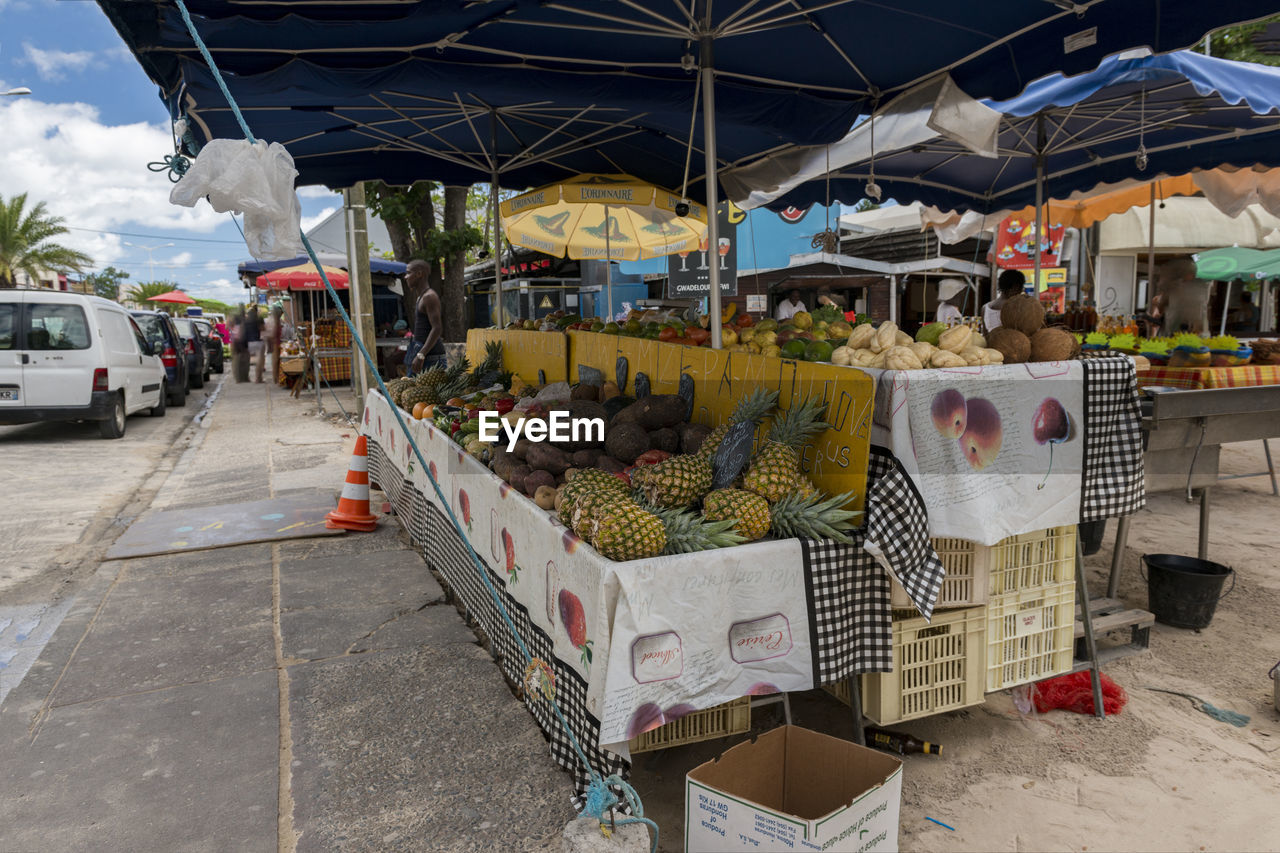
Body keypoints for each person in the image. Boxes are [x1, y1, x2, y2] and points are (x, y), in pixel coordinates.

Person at [404, 259, 446, 376]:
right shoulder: (421, 297)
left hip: (431, 358)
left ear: (419, 274)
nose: (405, 277)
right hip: (423, 355)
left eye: (408, 273)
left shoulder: (429, 297)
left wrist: (421, 355)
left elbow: (437, 328)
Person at [1158, 258, 1210, 334]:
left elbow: (1201, 309)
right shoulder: (1173, 287)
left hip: (1189, 328)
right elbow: (1162, 305)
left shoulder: (1199, 287)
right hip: (1175, 327)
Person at [245, 304, 265, 383]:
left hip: (248, 342)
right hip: (257, 341)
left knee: (246, 361)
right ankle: (258, 378)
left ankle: (247, 378)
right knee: (259, 361)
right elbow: (263, 328)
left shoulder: (245, 320)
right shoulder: (259, 318)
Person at [231, 307, 250, 383]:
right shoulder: (242, 322)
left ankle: (240, 378)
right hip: (239, 343)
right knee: (242, 362)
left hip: (237, 342)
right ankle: (241, 378)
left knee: (238, 362)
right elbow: (241, 334)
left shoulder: (236, 321)